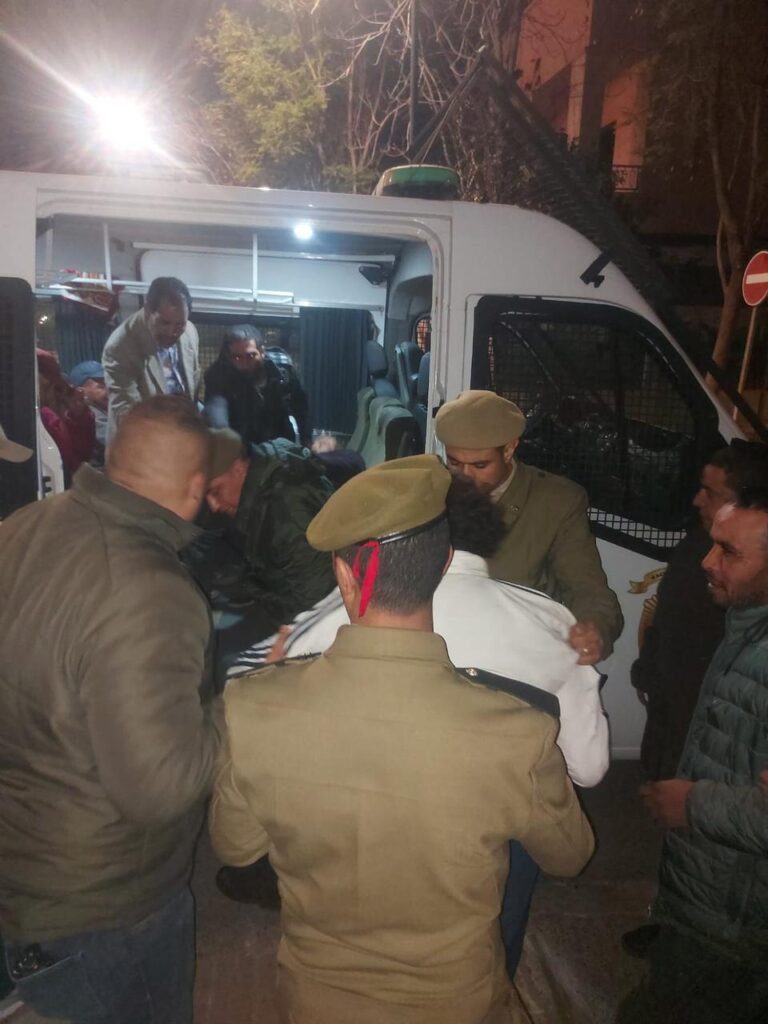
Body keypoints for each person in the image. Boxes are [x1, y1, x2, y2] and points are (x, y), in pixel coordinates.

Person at [209, 455, 595, 1024]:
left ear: (345, 576)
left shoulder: (253, 708)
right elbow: (569, 856)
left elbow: (235, 846)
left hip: (316, 1002)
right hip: (458, 1006)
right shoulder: (518, 733)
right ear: (444, 564)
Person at [0, 396, 223, 1024]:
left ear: (113, 457)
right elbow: (161, 788)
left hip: (25, 872)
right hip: (109, 911)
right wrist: (242, 704)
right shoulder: (151, 589)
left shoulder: (19, 528)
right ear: (197, 488)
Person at [618, 487, 768, 1024]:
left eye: (729, 551)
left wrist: (693, 804)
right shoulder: (747, 624)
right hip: (708, 895)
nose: (707, 561)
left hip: (736, 922)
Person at [434, 389, 623, 664]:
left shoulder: (556, 503)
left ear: (509, 449)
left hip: (517, 657)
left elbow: (588, 590)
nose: (465, 476)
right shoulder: (431, 490)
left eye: (480, 465)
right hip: (443, 650)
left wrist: (594, 630)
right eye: (454, 462)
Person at [631, 442, 768, 781]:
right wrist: (648, 673)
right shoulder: (697, 545)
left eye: (711, 492)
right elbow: (667, 619)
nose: (697, 500)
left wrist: (696, 799)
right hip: (672, 714)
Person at [199, 427, 336, 626]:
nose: (214, 506)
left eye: (216, 491)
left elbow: (316, 605)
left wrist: (248, 587)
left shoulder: (288, 507)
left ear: (238, 468)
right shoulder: (261, 481)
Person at [102, 277, 200, 441]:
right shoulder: (121, 346)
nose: (172, 332)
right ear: (148, 310)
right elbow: (129, 411)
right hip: (139, 441)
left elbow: (194, 383)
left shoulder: (190, 332)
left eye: (179, 325)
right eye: (165, 323)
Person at [204, 325, 306, 447]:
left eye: (251, 356)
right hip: (239, 445)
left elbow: (301, 407)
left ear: (262, 352)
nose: (245, 364)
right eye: (237, 357)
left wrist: (308, 440)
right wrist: (226, 440)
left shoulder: (282, 370)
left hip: (280, 444)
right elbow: (216, 408)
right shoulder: (218, 375)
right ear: (229, 357)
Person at [37, 348, 95, 477]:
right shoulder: (44, 416)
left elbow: (78, 460)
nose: (46, 382)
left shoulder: (50, 416)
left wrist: (79, 416)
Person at [69, 359, 109, 465]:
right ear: (81, 391)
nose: (109, 390)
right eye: (101, 386)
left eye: (108, 384)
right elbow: (119, 445)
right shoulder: (91, 415)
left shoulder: (102, 409)